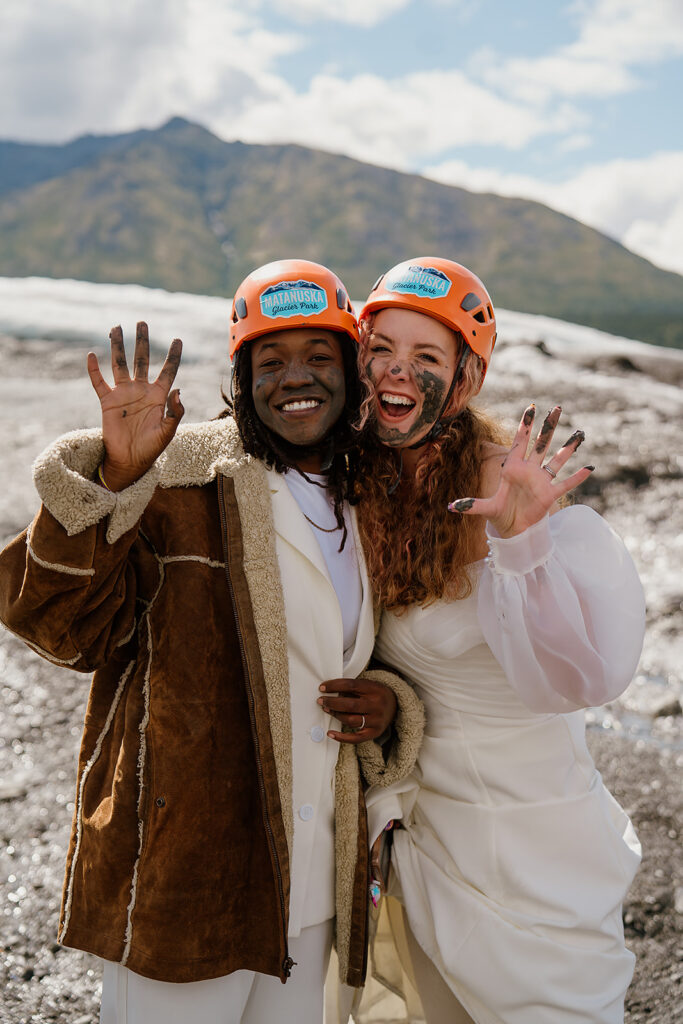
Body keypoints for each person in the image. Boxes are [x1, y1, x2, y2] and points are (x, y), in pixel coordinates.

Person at [0, 259, 425, 1024]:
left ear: (352, 372)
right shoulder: (178, 479)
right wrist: (118, 474)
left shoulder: (367, 498)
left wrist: (387, 706)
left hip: (307, 886)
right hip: (184, 876)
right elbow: (60, 627)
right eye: (270, 361)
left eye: (319, 357)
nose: (296, 378)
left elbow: (376, 654)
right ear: (241, 377)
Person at [335, 257, 645, 1024]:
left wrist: (523, 545)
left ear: (466, 377)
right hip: (428, 838)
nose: (396, 371)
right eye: (381, 349)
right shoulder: (358, 481)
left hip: (531, 841)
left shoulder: (512, 490)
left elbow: (576, 684)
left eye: (426, 357)